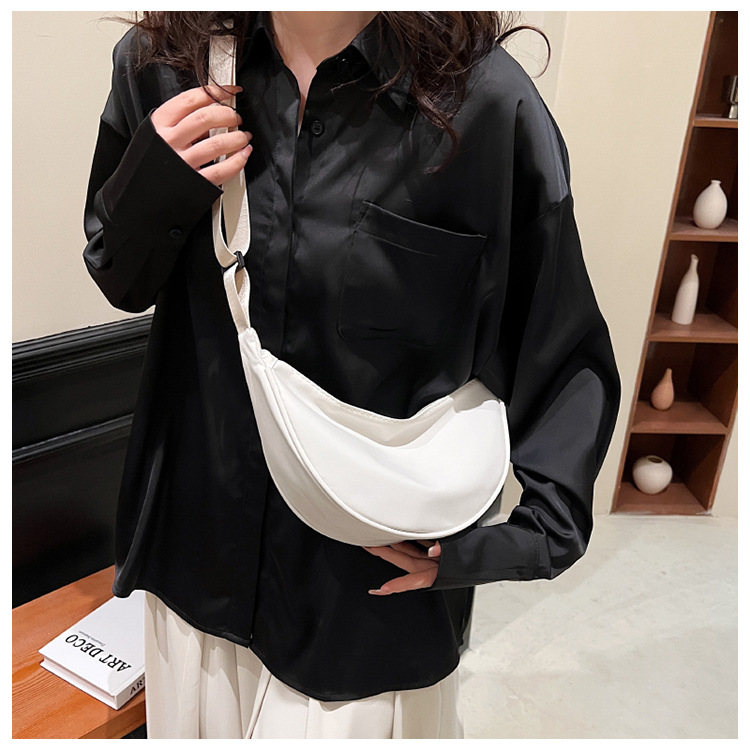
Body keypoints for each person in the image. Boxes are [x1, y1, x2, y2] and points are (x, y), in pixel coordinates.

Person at [83, 10, 620, 739]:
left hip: (365, 609)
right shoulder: (163, 64)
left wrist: (503, 544)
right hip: (194, 574)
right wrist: (157, 179)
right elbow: (121, 277)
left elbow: (561, 352)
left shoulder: (483, 104)